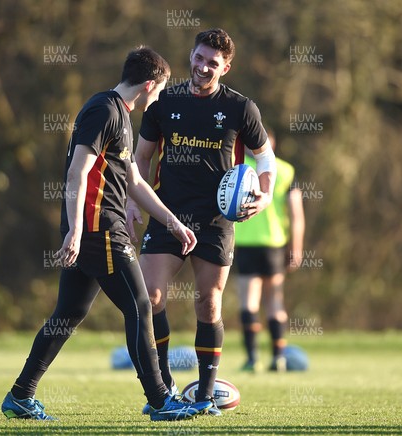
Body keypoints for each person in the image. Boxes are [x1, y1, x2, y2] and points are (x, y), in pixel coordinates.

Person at [1, 47, 212, 422]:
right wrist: (77, 232)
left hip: (94, 231)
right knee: (140, 306)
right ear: (150, 85)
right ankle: (161, 399)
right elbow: (75, 174)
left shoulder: (120, 115)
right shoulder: (104, 110)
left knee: (68, 314)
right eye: (161, 89)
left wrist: (172, 222)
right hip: (100, 231)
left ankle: (20, 395)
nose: (161, 97)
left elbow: (133, 180)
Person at [126, 29, 276, 416]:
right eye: (199, 57)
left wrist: (265, 195)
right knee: (150, 298)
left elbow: (265, 158)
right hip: (167, 214)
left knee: (208, 304)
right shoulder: (162, 102)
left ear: (226, 67)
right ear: (191, 55)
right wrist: (133, 201)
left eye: (213, 62)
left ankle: (206, 395)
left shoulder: (242, 108)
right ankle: (162, 389)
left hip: (216, 219)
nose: (203, 67)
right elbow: (141, 159)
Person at [235, 132, 305, 372]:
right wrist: (296, 248)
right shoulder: (285, 170)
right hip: (274, 244)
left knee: (249, 302)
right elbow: (297, 215)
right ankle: (279, 358)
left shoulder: (239, 169)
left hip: (245, 241)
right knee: (275, 302)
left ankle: (252, 359)